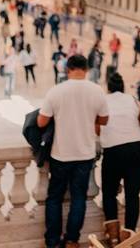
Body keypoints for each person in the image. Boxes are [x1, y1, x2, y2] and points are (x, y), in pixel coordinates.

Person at [38, 55, 109, 248]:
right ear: (86, 70)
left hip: (60, 154)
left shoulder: (56, 91)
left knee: (54, 198)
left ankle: (53, 242)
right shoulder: (97, 91)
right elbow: (104, 120)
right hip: (85, 154)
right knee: (79, 198)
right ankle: (72, 240)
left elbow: (41, 122)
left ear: (67, 69)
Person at [98, 73, 140, 244]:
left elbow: (98, 128)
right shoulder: (132, 99)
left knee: (109, 193)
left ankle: (113, 236)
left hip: (114, 150)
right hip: (138, 148)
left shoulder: (103, 100)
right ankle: (127, 239)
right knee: (132, 195)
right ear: (123, 86)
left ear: (108, 86)